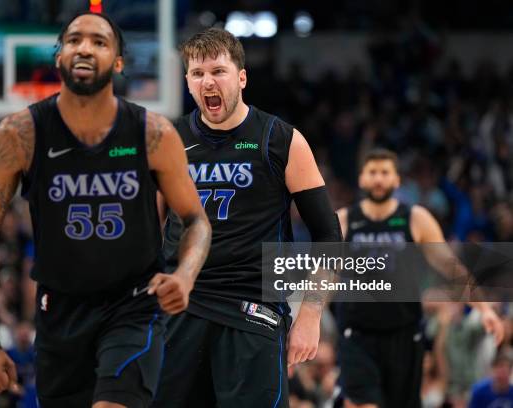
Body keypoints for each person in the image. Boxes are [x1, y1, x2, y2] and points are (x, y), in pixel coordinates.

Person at [0, 12, 211, 408]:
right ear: (59, 56)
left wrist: (184, 275)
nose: (84, 47)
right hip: (59, 313)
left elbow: (197, 219)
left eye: (99, 42)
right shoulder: (19, 135)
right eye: (74, 39)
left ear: (118, 62)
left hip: (132, 305)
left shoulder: (154, 133)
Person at [154, 28, 341, 408]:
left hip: (252, 307)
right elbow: (149, 231)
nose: (208, 81)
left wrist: (310, 312)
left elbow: (329, 234)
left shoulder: (281, 139)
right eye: (197, 73)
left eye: (218, 71)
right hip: (181, 308)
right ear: (188, 82)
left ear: (241, 77)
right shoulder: (169, 140)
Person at [335, 148, 504, 408]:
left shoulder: (415, 219)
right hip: (357, 333)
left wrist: (482, 308)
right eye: (372, 173)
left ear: (397, 180)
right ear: (361, 179)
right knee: (361, 403)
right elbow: (321, 276)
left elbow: (451, 267)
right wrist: (303, 320)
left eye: (385, 172)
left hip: (404, 333)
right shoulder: (344, 221)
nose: (378, 179)